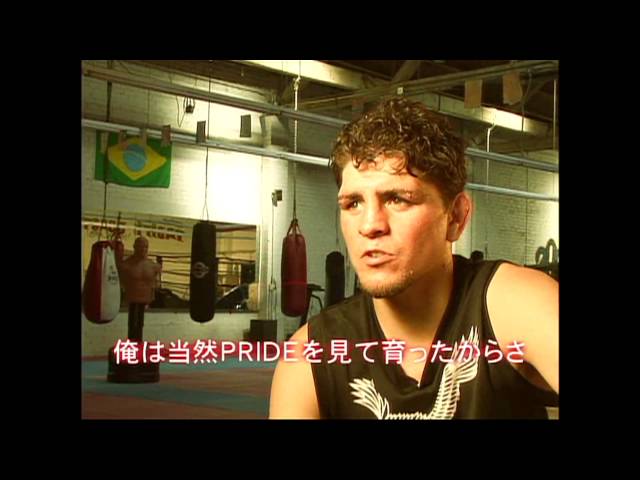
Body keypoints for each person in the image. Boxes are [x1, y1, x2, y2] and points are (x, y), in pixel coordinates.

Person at [269, 97, 559, 419]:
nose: (370, 225)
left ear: (456, 217)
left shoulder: (513, 303)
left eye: (397, 199)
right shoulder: (310, 355)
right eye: (353, 203)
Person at [116, 236, 162, 341]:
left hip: (145, 299)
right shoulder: (125, 265)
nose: (143, 249)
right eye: (141, 246)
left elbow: (155, 283)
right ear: (135, 247)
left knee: (139, 322)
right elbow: (121, 280)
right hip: (131, 298)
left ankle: (138, 343)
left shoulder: (153, 266)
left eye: (145, 247)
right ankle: (132, 342)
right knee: (132, 322)